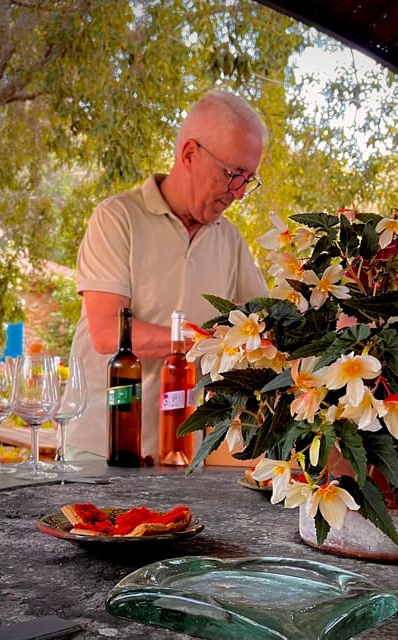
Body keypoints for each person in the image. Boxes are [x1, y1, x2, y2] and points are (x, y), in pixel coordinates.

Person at [67, 90, 269, 460]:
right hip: (99, 450)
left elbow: (263, 326)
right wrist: (207, 340)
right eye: (233, 175)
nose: (239, 194)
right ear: (189, 154)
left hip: (184, 455)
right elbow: (108, 333)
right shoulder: (118, 218)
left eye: (248, 180)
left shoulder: (230, 239)